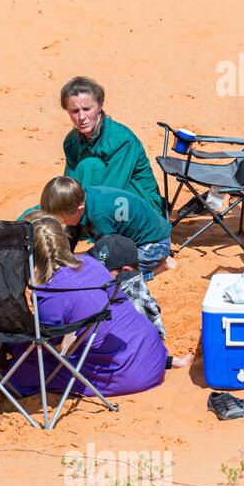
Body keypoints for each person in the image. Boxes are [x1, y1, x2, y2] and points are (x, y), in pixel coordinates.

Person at [5, 214, 168, 399]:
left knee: (22, 371)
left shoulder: (50, 293)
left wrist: (8, 343)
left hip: (127, 373)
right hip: (153, 355)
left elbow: (41, 346)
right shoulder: (92, 264)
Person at [59, 75, 166, 216]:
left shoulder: (121, 140)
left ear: (100, 105)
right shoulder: (72, 141)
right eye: (75, 111)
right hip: (97, 203)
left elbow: (112, 189)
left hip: (139, 207)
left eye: (87, 109)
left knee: (91, 165)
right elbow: (70, 186)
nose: (81, 117)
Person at [33, 175, 175, 279]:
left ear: (80, 209)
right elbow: (72, 233)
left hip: (154, 244)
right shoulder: (84, 199)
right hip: (128, 238)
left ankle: (157, 269)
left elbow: (109, 254)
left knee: (110, 278)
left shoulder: (99, 217)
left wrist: (75, 263)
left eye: (62, 219)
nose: (61, 224)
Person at [89, 234, 192, 370]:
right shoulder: (116, 284)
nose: (96, 273)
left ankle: (173, 362)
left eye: (103, 270)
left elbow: (147, 340)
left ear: (125, 271)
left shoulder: (136, 298)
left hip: (130, 359)